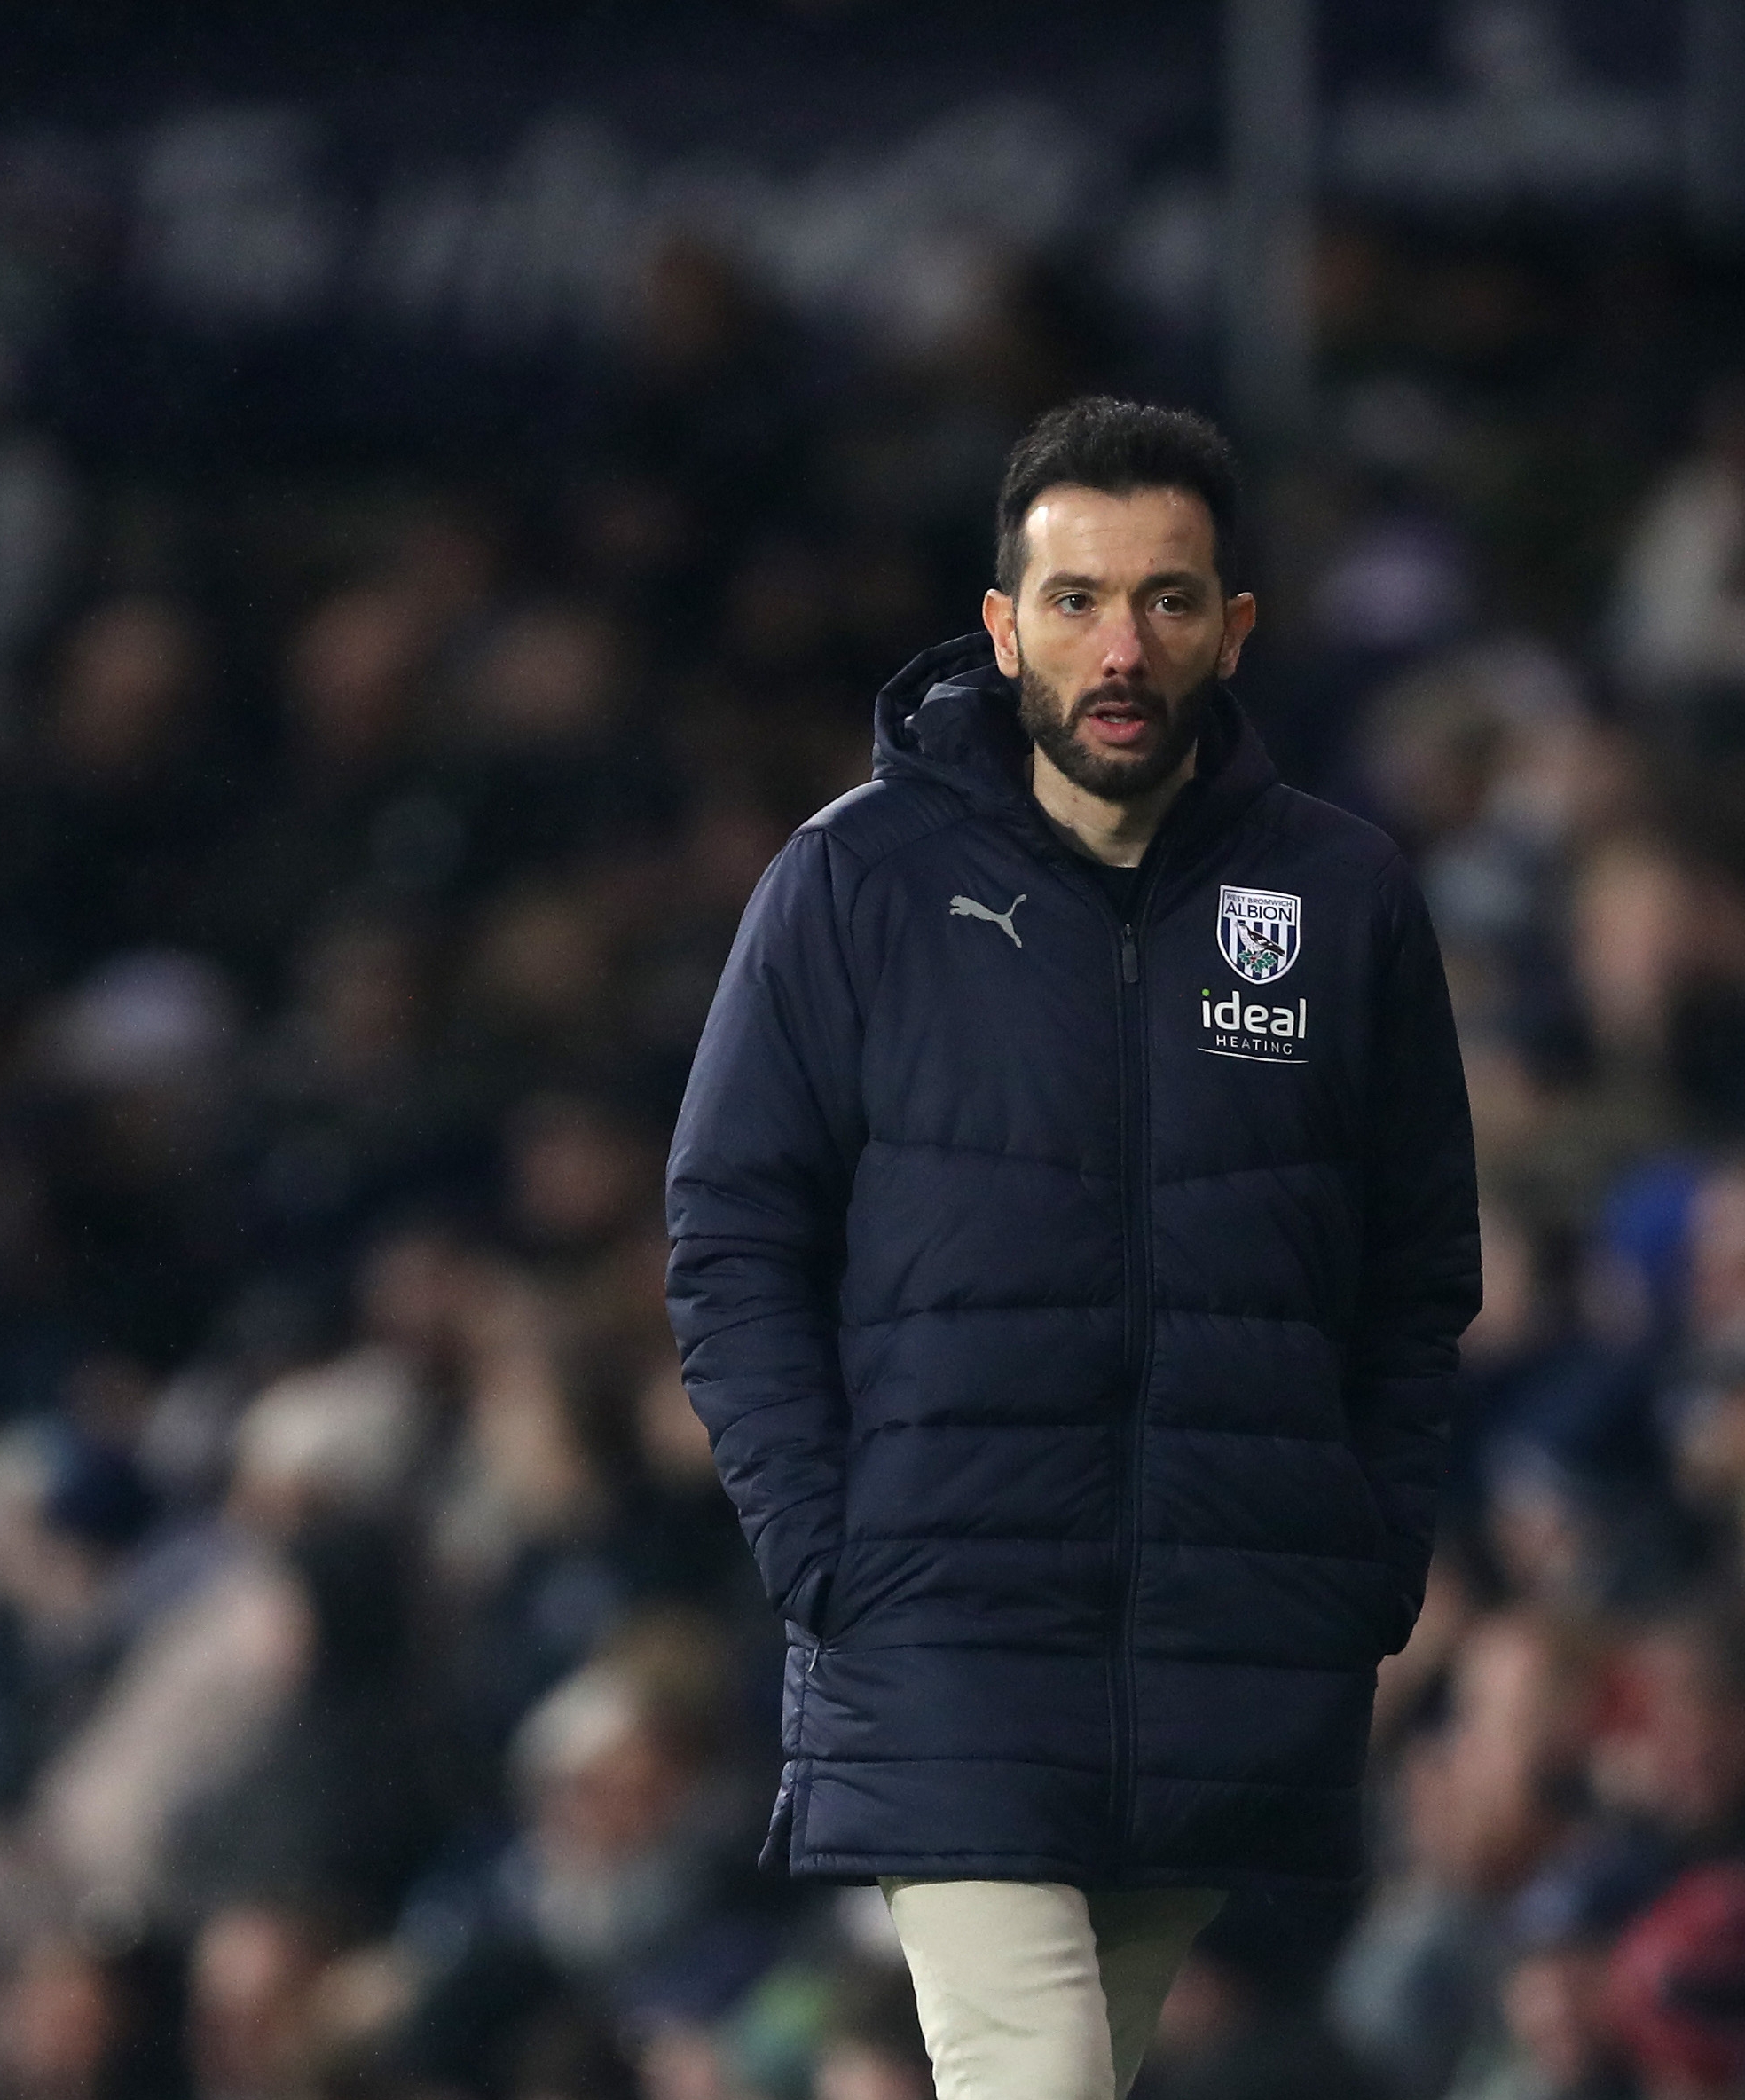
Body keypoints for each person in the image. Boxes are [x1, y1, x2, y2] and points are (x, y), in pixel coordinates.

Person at [664, 397, 1482, 2100]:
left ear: (1234, 627)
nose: (1121, 646)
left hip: (1227, 1636)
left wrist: (1360, 1559)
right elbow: (731, 1232)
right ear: (999, 625)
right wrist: (825, 1549)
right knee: (1029, 2076)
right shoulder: (854, 883)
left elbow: (1414, 1279)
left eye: (1167, 601)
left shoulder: (1340, 901)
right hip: (938, 1622)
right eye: (1075, 600)